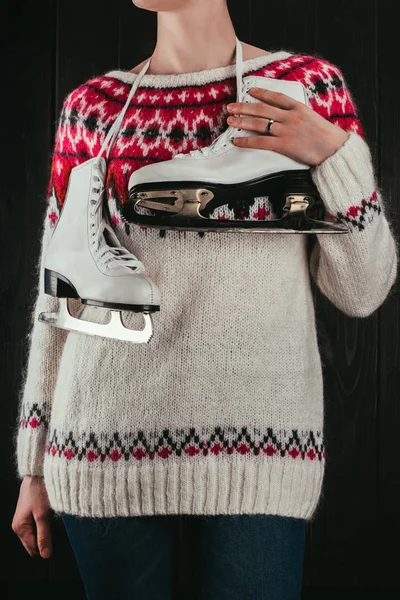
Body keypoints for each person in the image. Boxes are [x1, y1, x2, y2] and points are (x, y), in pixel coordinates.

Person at [12, 0, 398, 599]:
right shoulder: (92, 109)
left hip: (261, 448)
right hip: (101, 444)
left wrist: (335, 155)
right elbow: (59, 295)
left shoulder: (303, 90)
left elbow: (362, 291)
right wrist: (33, 464)